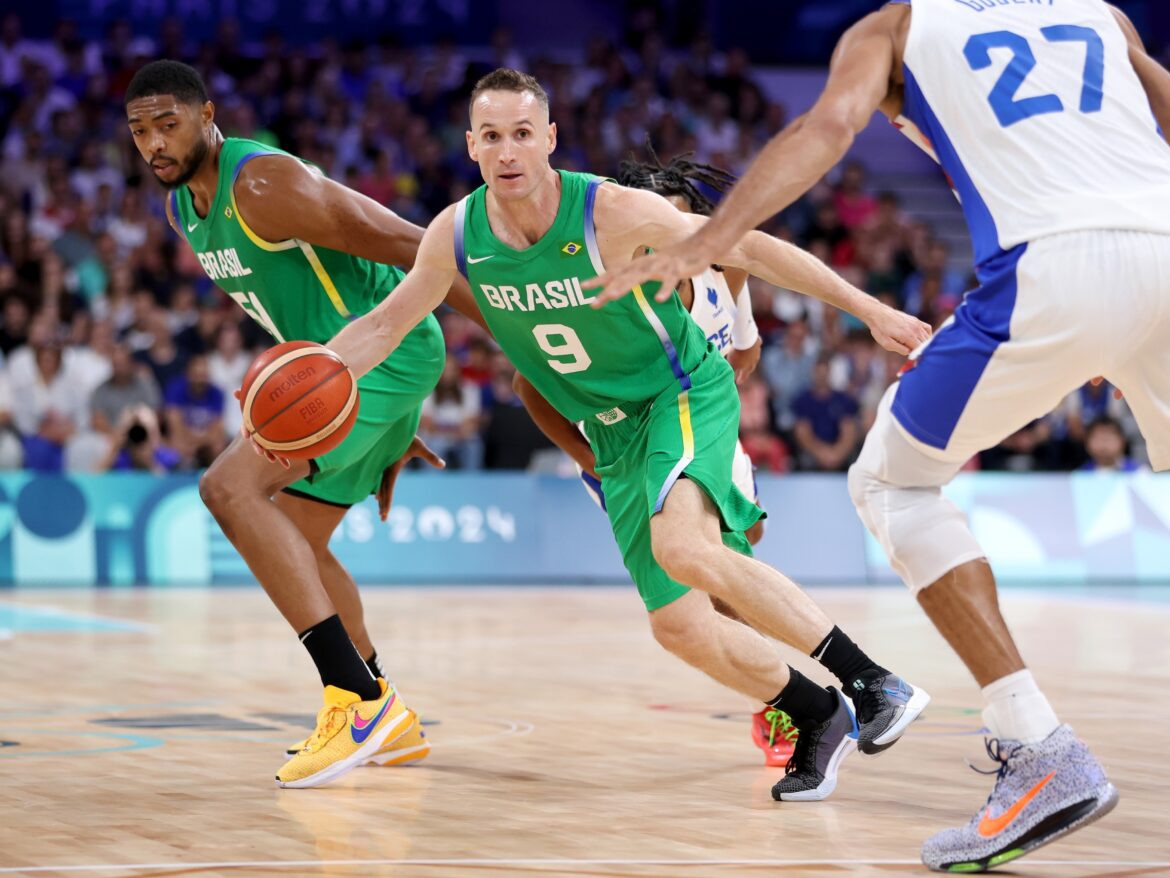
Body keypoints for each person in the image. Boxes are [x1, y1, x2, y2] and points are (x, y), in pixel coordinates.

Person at [586, 1, 1170, 869]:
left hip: (1049, 267)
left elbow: (825, 130)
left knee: (891, 484)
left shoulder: (896, 28)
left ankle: (1038, 747)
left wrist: (709, 238)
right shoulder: (1101, 14)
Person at [323, 68, 934, 802]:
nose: (508, 150)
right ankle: (814, 712)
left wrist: (869, 310)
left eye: (523, 133)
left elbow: (748, 248)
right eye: (492, 136)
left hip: (677, 392)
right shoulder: (457, 234)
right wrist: (322, 371)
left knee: (687, 549)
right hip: (610, 437)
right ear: (471, 147)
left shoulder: (610, 211)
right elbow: (389, 322)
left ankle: (871, 681)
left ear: (549, 139)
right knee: (678, 626)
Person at [125, 59, 471, 788]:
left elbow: (418, 249)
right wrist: (380, 424)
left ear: (207, 115)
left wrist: (528, 348)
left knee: (228, 491)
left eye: (169, 123)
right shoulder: (182, 207)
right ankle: (387, 713)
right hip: (343, 378)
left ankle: (356, 703)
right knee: (296, 539)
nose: (155, 142)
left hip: (383, 351)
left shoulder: (262, 184)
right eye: (140, 131)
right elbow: (291, 306)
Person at [512, 147, 798, 766]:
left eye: (681, 223)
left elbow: (743, 351)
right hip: (627, 447)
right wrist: (586, 460)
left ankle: (782, 702)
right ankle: (781, 695)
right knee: (695, 599)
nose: (669, 239)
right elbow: (528, 387)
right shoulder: (611, 292)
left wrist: (719, 381)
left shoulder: (727, 272)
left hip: (701, 424)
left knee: (734, 561)